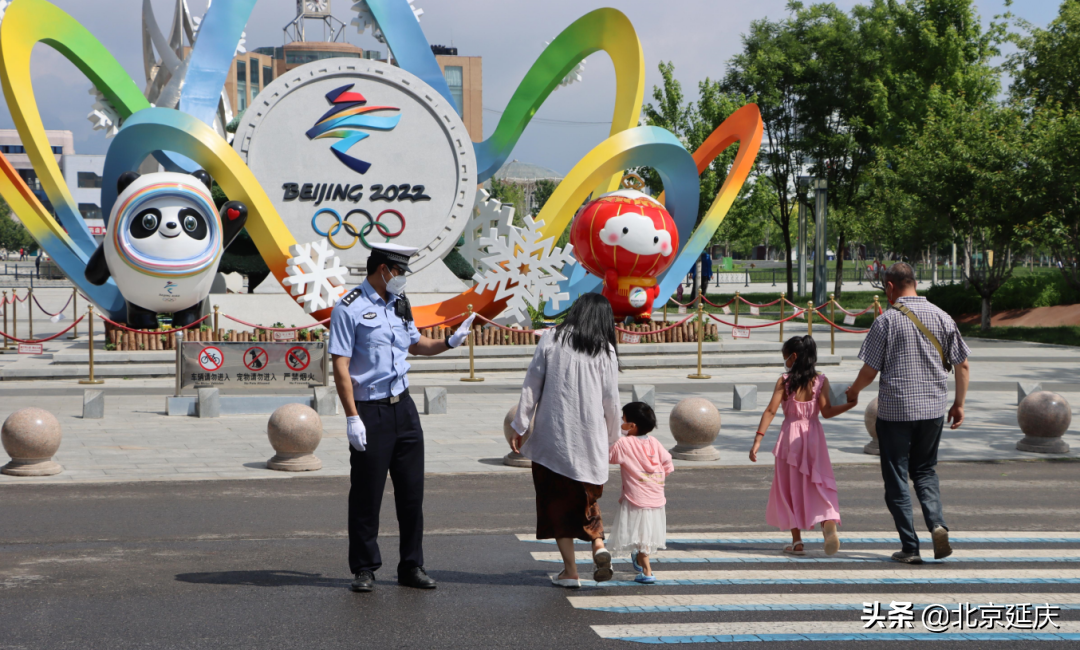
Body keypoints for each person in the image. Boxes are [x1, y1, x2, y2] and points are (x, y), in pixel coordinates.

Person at [329, 243, 478, 593]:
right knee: (367, 495)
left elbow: (415, 344)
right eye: (399, 271)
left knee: (412, 494)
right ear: (383, 269)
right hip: (371, 410)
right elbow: (340, 365)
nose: (402, 278)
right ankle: (364, 568)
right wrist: (352, 418)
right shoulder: (349, 308)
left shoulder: (400, 304)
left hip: (404, 409)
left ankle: (412, 565)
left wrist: (450, 342)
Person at [846, 262, 970, 564]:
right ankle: (937, 524)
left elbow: (870, 369)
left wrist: (853, 391)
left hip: (895, 412)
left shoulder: (886, 321)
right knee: (925, 471)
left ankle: (910, 548)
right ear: (914, 282)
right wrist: (959, 404)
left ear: (890, 287)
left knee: (897, 477)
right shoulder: (943, 317)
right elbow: (962, 364)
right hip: (932, 410)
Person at [509, 293, 621, 589]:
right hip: (589, 442)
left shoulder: (550, 339)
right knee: (587, 500)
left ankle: (570, 571)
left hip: (552, 442)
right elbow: (611, 401)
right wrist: (612, 439)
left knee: (555, 506)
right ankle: (598, 543)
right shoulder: (605, 349)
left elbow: (532, 384)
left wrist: (519, 425)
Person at [750, 336, 856, 556]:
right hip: (814, 436)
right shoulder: (820, 381)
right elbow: (826, 412)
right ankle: (827, 522)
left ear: (794, 356)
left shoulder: (784, 381)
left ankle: (797, 542)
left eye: (785, 357)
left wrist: (758, 439)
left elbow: (770, 410)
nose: (785, 361)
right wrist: (849, 404)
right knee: (819, 483)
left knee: (789, 489)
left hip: (790, 438)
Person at [606, 402, 673, 584]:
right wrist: (655, 479)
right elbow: (668, 463)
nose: (621, 421)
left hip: (636, 497)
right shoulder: (654, 442)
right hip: (656, 497)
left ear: (632, 426)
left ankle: (647, 571)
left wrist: (610, 436)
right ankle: (638, 558)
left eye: (623, 419)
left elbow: (609, 456)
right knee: (645, 533)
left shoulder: (624, 443)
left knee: (642, 538)